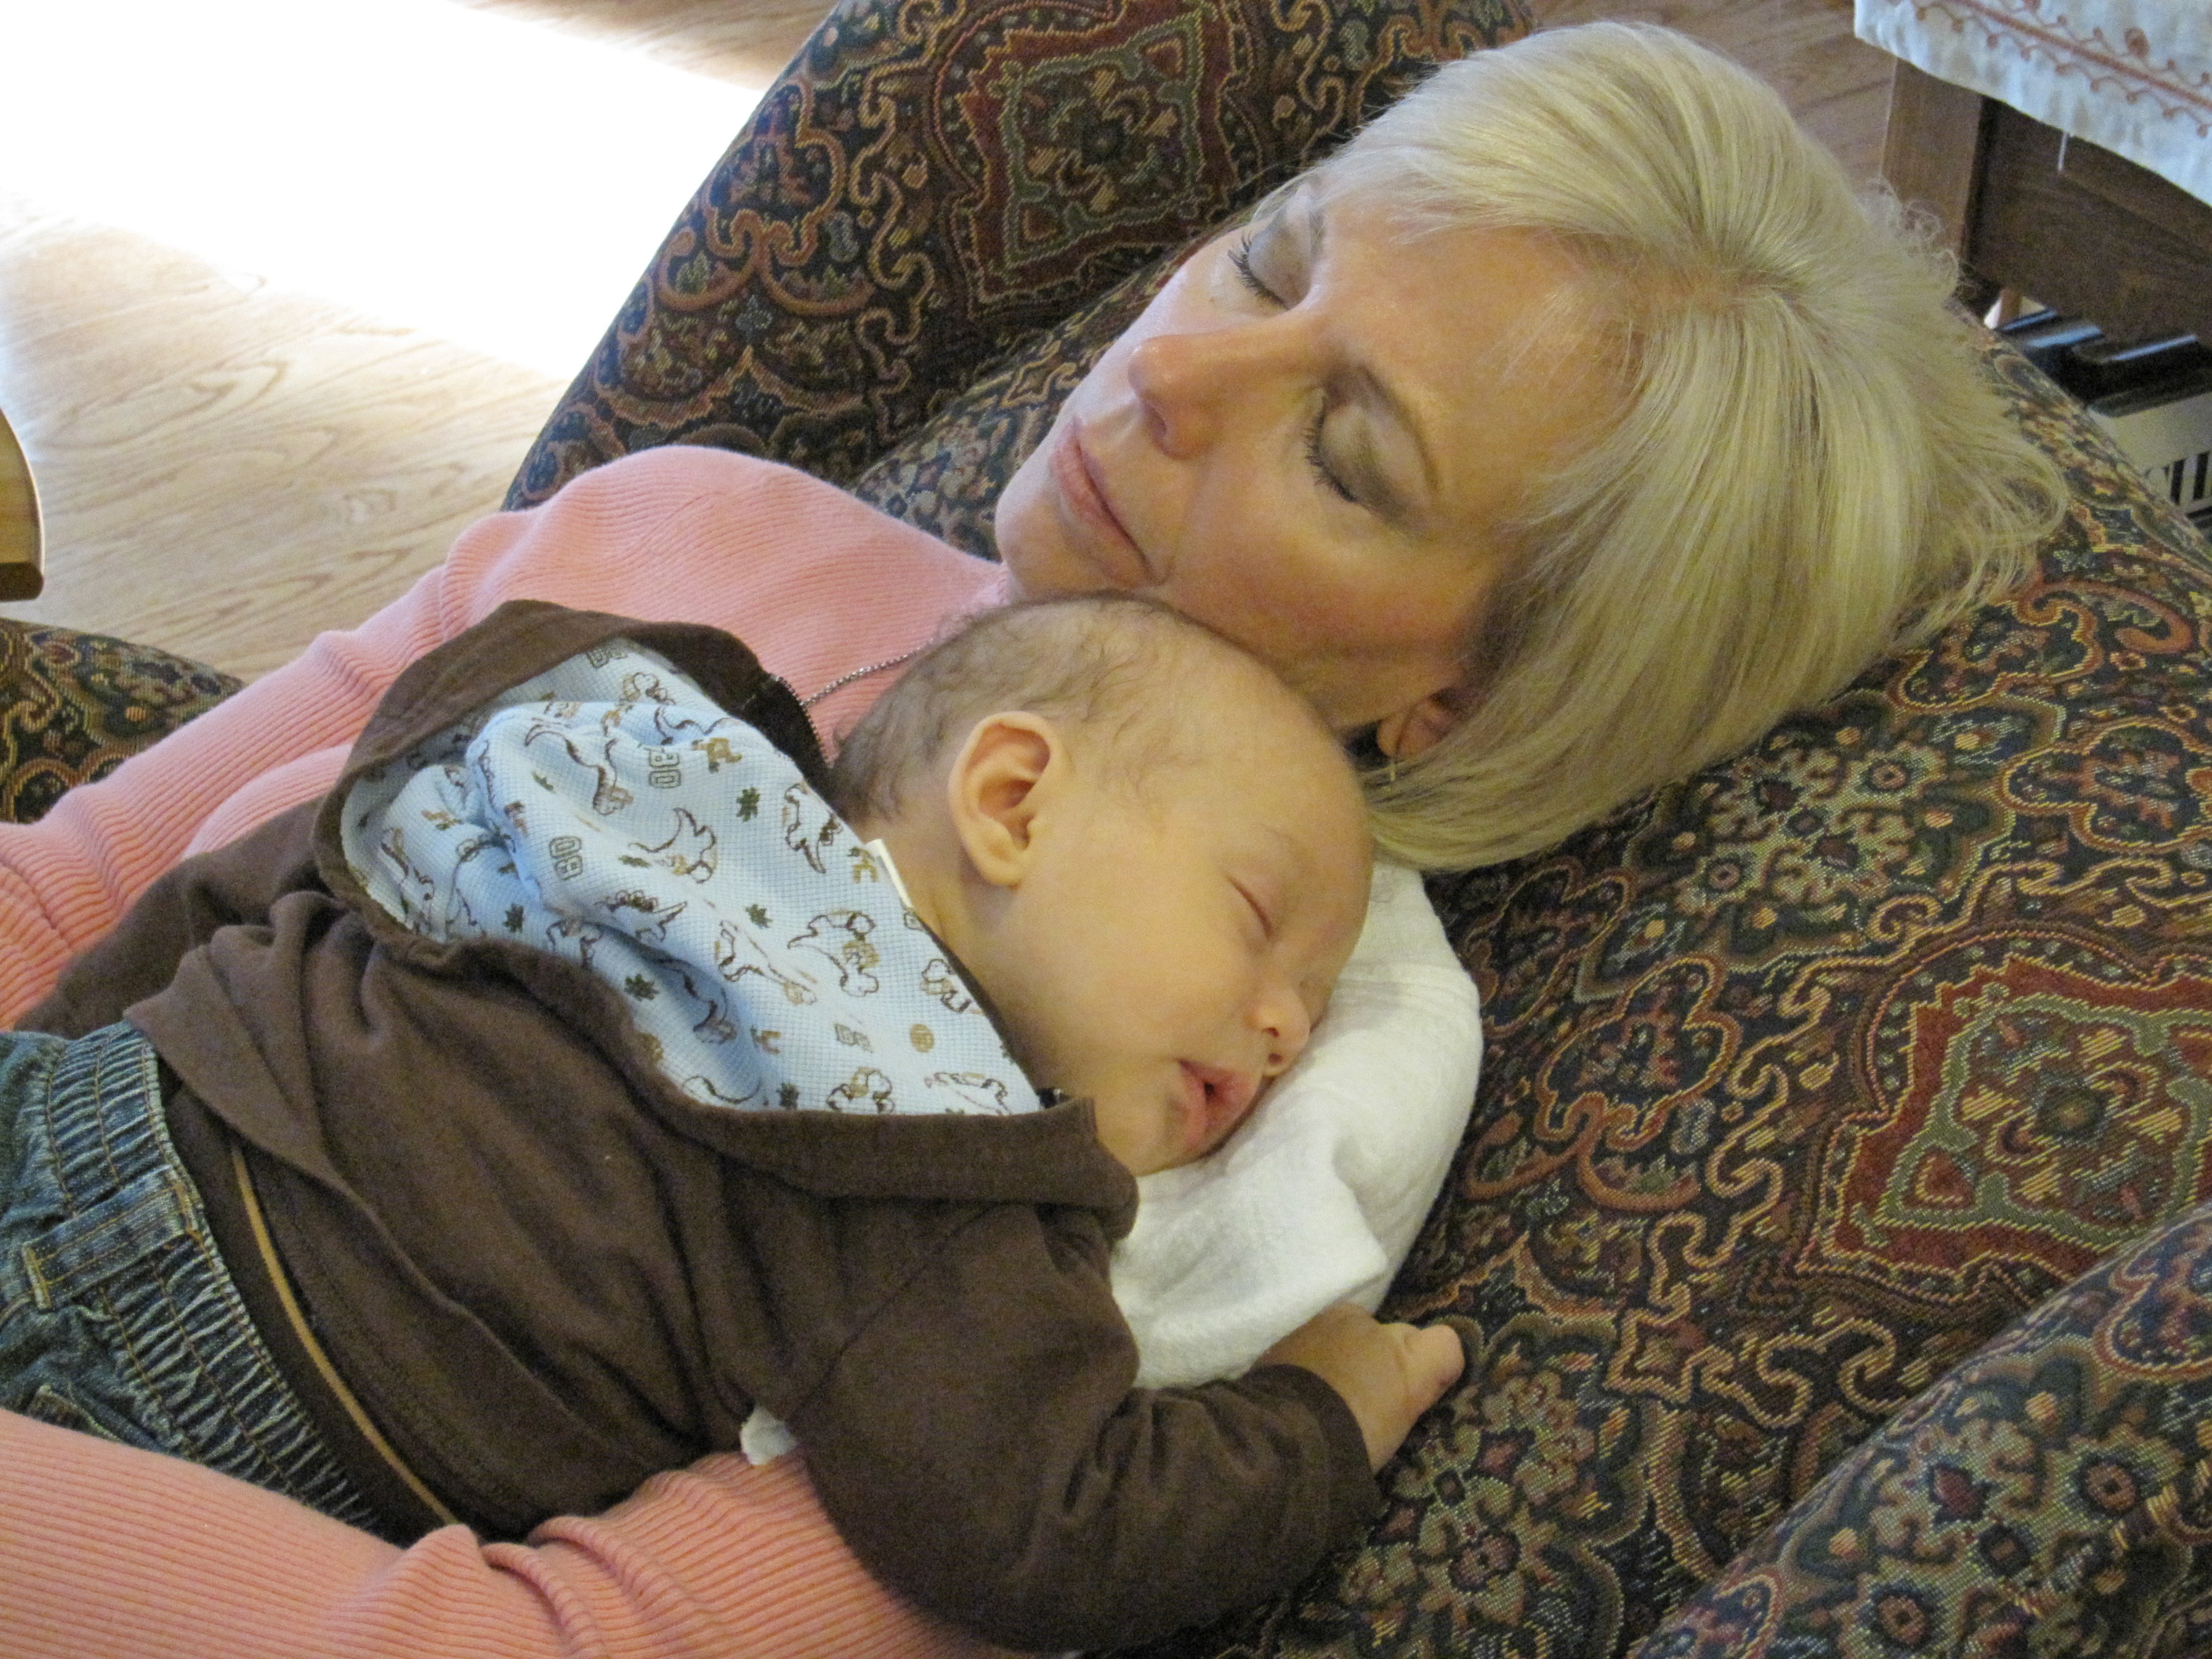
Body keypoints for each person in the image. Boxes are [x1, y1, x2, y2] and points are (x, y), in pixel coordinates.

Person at [0, 20, 2062, 1659]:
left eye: (1348, 455)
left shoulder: (1191, 1063)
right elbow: (65, 903)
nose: (1175, 370)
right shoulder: (684, 534)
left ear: (1460, 698)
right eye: (1270, 257)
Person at [2, 591, 1465, 1649]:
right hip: (222, 1406)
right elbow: (1047, 1523)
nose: (1287, 1030)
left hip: (81, 1109)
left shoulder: (629, 755)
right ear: (1014, 797)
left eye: (1312, 1006)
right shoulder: (931, 1149)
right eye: (1259, 923)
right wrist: (1320, 1418)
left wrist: (56, 1050)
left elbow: (276, 880)